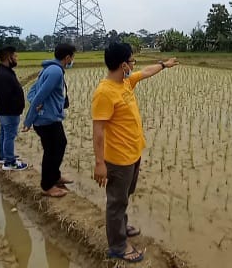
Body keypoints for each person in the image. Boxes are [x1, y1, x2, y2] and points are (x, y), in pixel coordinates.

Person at [91, 42, 179, 263]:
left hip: (133, 155)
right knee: (116, 202)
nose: (134, 65)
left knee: (124, 197)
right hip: (118, 160)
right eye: (132, 61)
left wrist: (164, 65)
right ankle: (118, 245)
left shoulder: (126, 83)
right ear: (123, 65)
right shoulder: (105, 92)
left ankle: (121, 226)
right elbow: (98, 131)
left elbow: (146, 72)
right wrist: (99, 163)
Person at [22, 43, 76, 198]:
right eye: (72, 57)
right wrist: (28, 120)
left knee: (57, 146)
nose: (73, 60)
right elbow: (39, 95)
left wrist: (37, 104)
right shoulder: (55, 72)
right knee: (53, 150)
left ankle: (55, 177)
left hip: (48, 117)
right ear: (67, 58)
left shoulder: (48, 68)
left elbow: (32, 92)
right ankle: (47, 186)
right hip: (47, 120)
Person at [0, 46, 28, 171]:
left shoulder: (3, 71)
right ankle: (9, 162)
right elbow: (5, 96)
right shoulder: (3, 74)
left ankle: (3, 156)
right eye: (15, 56)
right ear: (9, 57)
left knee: (4, 134)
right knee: (9, 136)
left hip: (5, 111)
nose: (16, 58)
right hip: (9, 112)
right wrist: (17, 107)